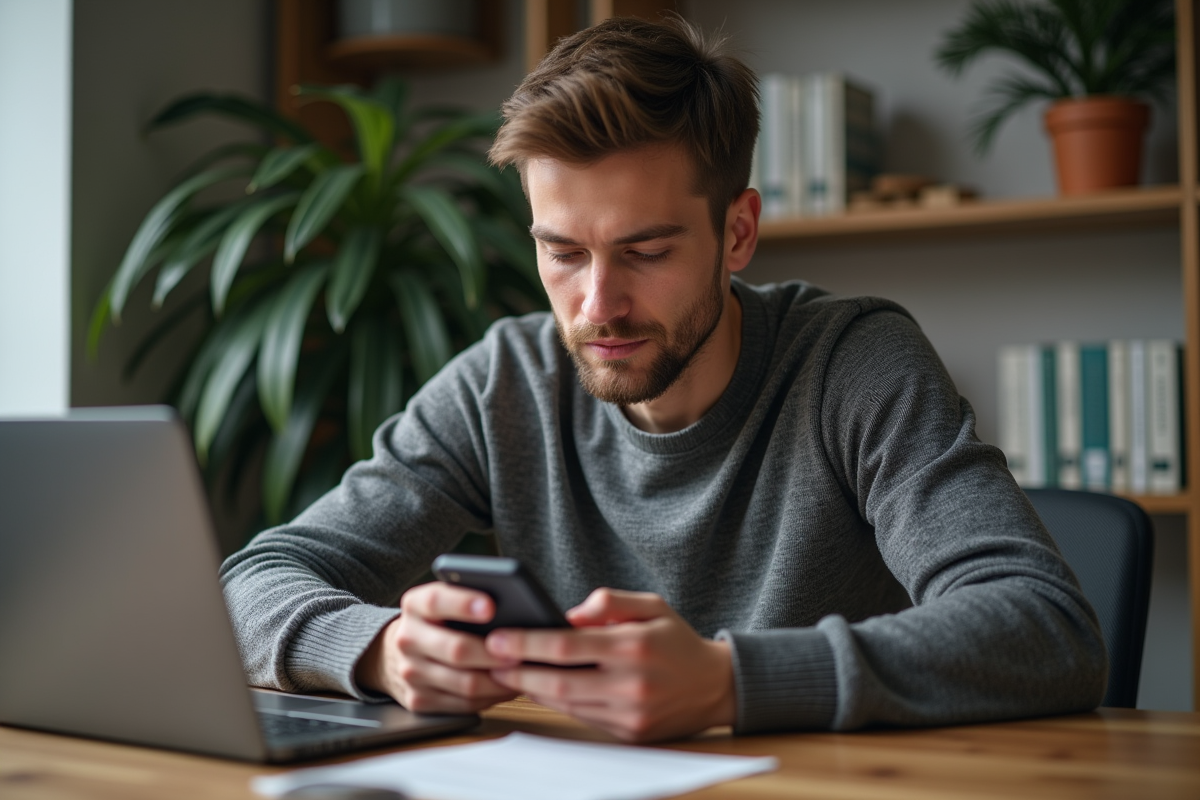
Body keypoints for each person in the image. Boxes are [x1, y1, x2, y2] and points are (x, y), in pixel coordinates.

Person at [219, 15, 1106, 743]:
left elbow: (1043, 625)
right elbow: (252, 580)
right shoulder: (505, 384)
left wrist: (727, 682)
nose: (598, 305)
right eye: (562, 252)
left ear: (737, 233)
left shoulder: (851, 362)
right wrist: (378, 648)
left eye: (645, 251)